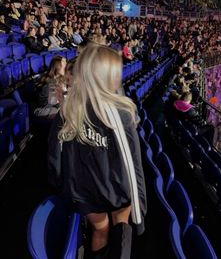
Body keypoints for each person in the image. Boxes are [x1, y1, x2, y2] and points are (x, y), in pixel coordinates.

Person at [48, 44, 147, 259]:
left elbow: (55, 156)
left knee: (99, 231)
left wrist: (62, 188)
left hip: (83, 190)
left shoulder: (68, 109)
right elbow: (133, 166)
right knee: (120, 230)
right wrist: (139, 212)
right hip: (116, 188)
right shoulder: (119, 112)